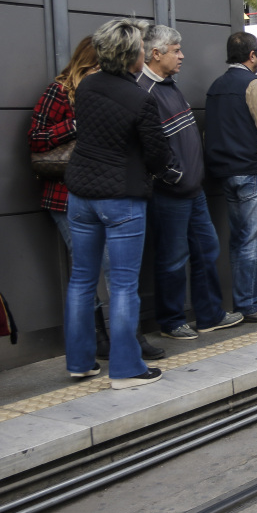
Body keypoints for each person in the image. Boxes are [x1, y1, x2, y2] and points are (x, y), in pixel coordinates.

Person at [29, 38, 164, 361]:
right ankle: (113, 346)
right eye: (95, 66)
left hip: (87, 191)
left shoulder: (95, 90)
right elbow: (37, 138)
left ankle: (91, 353)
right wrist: (76, 124)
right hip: (68, 194)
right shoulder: (60, 91)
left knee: (90, 274)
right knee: (108, 274)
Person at [64, 18, 178, 389]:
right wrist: (162, 171)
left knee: (81, 280)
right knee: (124, 284)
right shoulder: (140, 99)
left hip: (81, 194)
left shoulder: (86, 87)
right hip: (122, 199)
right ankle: (127, 368)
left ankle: (79, 362)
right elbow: (157, 152)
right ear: (134, 57)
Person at [136, 25, 244, 341]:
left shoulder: (169, 86)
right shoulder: (143, 91)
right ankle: (170, 320)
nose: (182, 56)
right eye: (175, 50)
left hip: (192, 189)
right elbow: (148, 149)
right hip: (170, 192)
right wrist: (174, 177)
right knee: (172, 257)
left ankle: (209, 314)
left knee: (206, 248)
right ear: (156, 54)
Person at [203, 32, 257, 324]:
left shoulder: (216, 87)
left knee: (239, 240)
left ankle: (246, 296)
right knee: (254, 243)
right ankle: (249, 303)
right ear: (252, 55)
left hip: (226, 173)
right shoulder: (255, 85)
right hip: (254, 172)